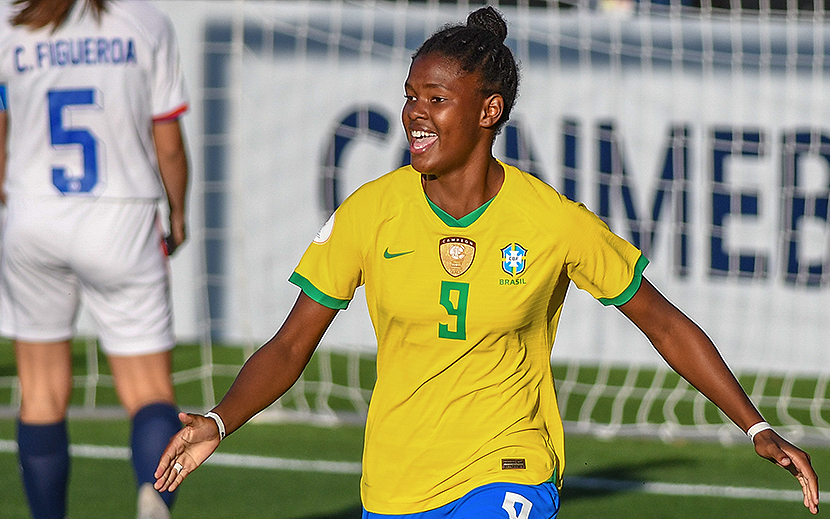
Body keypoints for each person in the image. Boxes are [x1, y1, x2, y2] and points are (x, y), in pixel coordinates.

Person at [154, 6, 819, 518]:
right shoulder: (370, 211)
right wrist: (218, 419)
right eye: (412, 94)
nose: (415, 112)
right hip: (395, 483)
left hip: (509, 469)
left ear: (488, 110)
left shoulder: (551, 219)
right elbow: (290, 343)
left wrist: (755, 423)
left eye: (436, 99)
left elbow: (664, 322)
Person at [0, 0, 189, 518]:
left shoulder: (9, 23)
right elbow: (168, 145)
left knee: (39, 392)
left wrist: (12, 203)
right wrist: (177, 213)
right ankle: (155, 500)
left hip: (34, 215)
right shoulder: (145, 22)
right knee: (149, 391)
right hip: (121, 218)